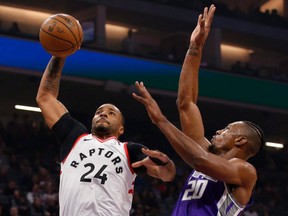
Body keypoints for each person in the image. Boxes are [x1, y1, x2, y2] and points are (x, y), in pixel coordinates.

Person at [132, 4, 264, 216]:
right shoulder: (205, 151)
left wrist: (161, 121)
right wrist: (195, 48)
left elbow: (199, 162)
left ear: (241, 141)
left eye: (228, 129)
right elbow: (186, 103)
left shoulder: (245, 171)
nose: (220, 131)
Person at [35, 56, 176, 216]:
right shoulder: (75, 137)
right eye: (99, 112)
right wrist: (59, 56)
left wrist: (166, 163)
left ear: (121, 129)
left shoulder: (129, 150)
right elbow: (45, 98)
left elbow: (167, 175)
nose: (103, 114)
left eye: (111, 113)